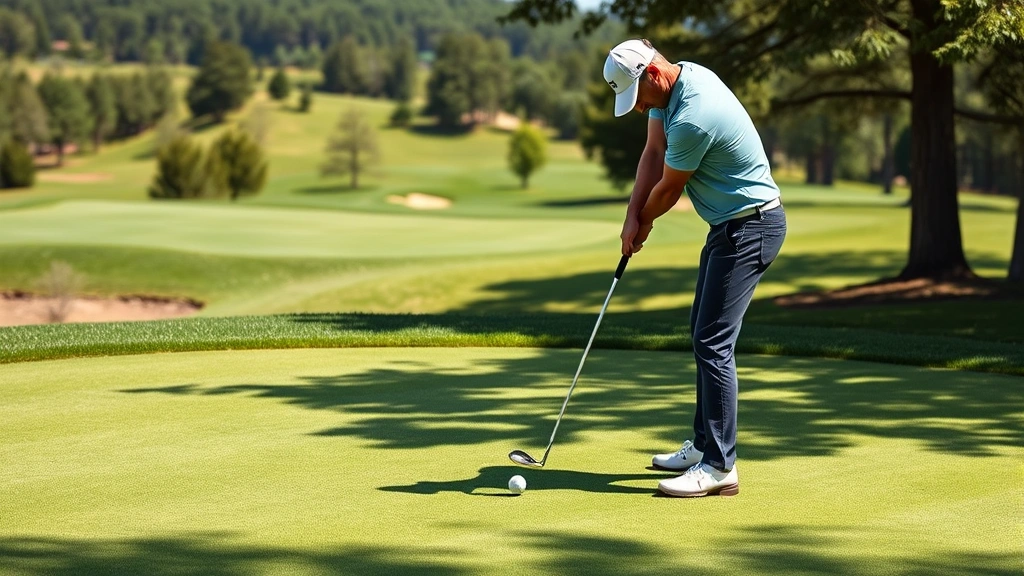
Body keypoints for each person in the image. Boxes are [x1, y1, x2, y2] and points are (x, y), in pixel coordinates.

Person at [604, 39, 787, 498]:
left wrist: (641, 224)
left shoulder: (693, 113)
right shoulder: (670, 87)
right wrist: (631, 214)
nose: (641, 106)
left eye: (639, 96)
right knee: (702, 332)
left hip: (752, 227)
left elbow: (668, 190)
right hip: (729, 226)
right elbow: (651, 154)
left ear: (651, 75)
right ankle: (704, 446)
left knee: (713, 341)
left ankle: (721, 466)